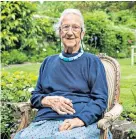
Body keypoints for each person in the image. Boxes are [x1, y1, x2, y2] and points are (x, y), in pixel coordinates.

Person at [14, 9, 111, 139]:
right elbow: (35, 96)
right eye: (65, 27)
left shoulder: (92, 62)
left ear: (82, 33)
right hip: (45, 122)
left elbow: (100, 99)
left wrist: (79, 120)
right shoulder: (48, 62)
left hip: (80, 123)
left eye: (75, 27)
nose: (70, 32)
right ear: (60, 32)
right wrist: (46, 100)